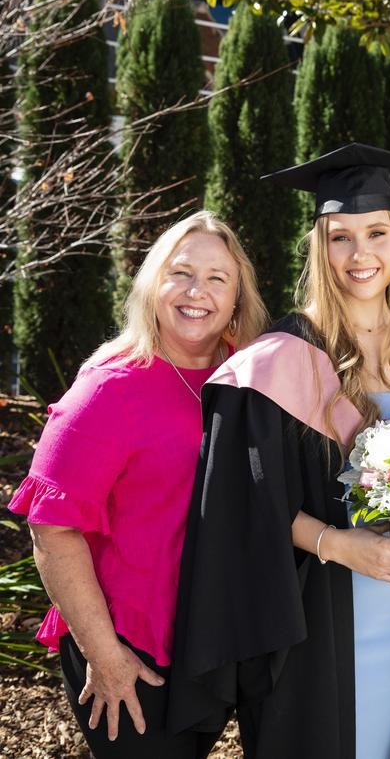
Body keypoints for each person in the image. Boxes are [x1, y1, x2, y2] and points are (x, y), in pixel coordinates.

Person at [166, 144, 390, 759]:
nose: (361, 255)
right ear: (319, 244)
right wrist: (340, 544)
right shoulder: (283, 355)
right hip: (320, 614)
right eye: (340, 237)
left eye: (376, 233)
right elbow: (239, 502)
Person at [8, 211, 268, 758]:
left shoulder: (247, 377)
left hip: (208, 641)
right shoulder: (108, 388)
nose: (198, 291)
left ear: (238, 298)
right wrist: (105, 656)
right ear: (153, 283)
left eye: (218, 278)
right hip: (129, 646)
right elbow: (52, 530)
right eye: (182, 273)